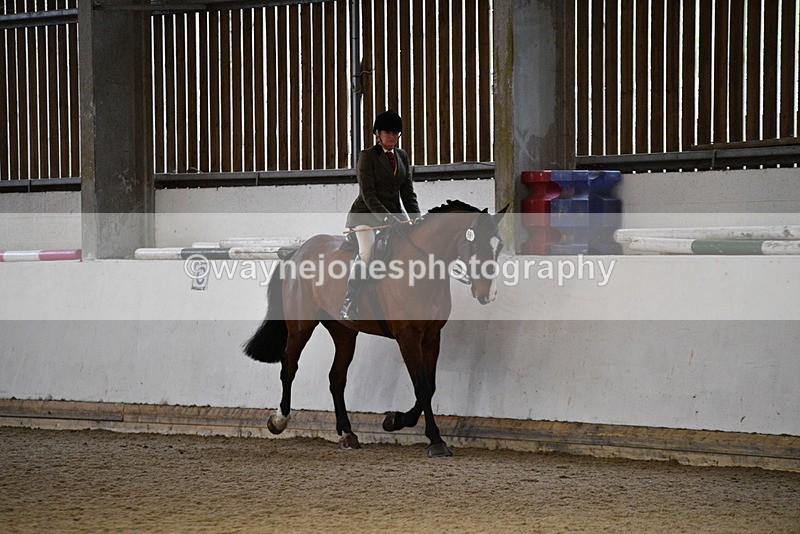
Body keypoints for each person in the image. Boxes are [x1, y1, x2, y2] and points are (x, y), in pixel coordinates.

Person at [341, 110, 421, 321]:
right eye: (387, 132)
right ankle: (350, 302)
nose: (392, 136)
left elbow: (407, 193)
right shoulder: (367, 156)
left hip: (395, 215)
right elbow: (368, 195)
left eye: (395, 133)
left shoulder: (402, 156)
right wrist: (387, 218)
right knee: (367, 254)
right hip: (366, 216)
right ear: (378, 134)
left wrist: (416, 218)